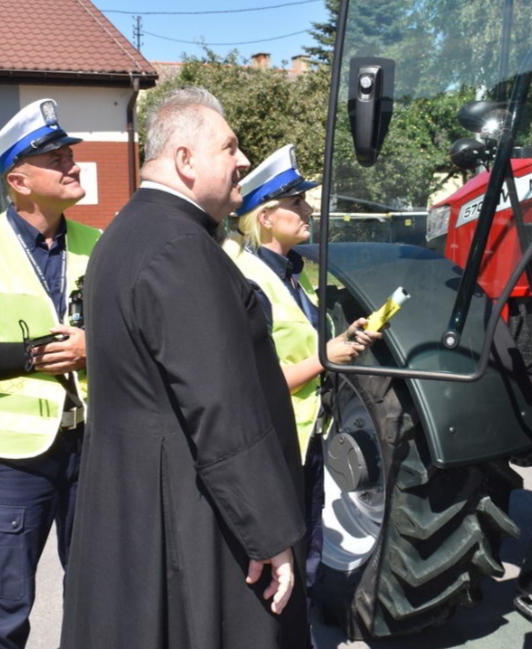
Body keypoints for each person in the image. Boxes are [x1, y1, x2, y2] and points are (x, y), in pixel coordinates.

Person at [60, 87, 309, 649]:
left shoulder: (127, 232)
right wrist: (269, 532)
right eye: (230, 147)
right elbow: (220, 407)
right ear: (185, 161)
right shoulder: (180, 248)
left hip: (141, 502)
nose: (242, 160)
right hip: (190, 516)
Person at [0, 98, 99, 649]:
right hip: (13, 460)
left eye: (70, 155)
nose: (73, 165)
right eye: (57, 159)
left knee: (96, 593)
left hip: (91, 446)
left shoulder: (97, 245)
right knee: (5, 602)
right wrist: (35, 355)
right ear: (19, 180)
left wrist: (93, 346)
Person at [224, 144, 382, 615]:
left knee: (306, 556)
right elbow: (250, 382)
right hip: (271, 443)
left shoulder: (293, 274)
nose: (308, 209)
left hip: (304, 439)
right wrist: (325, 357)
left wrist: (346, 340)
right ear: (267, 216)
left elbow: (309, 347)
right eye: (296, 203)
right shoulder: (248, 279)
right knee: (278, 564)